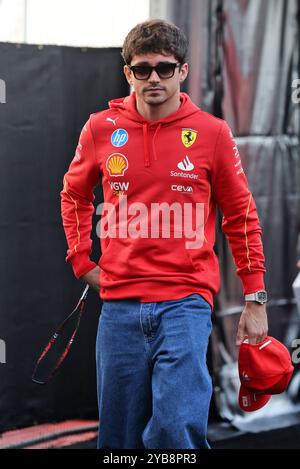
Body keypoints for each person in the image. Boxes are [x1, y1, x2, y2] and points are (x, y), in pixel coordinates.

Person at [60, 19, 268, 449]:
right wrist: (82, 261)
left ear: (183, 71)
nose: (153, 77)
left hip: (185, 304)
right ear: (128, 73)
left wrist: (255, 298)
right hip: (119, 309)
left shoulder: (212, 134)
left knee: (175, 436)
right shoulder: (100, 129)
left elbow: (241, 215)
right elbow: (74, 194)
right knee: (118, 442)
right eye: (142, 69)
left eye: (164, 68)